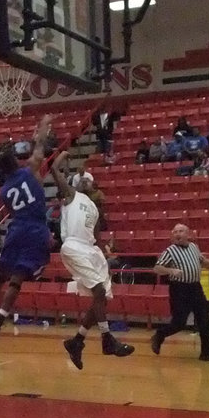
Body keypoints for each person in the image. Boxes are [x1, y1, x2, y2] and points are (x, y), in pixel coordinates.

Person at [51, 150, 135, 369]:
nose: (86, 182)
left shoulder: (95, 208)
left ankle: (77, 341)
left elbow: (96, 237)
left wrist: (103, 253)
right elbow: (53, 169)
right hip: (74, 245)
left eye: (89, 180)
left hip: (91, 250)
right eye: (84, 180)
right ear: (78, 184)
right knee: (98, 291)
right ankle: (107, 339)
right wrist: (64, 155)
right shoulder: (70, 195)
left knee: (102, 297)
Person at [0, 118, 54, 343]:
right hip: (35, 229)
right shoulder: (30, 170)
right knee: (17, 280)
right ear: (15, 162)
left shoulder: (4, 191)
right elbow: (39, 149)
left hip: (16, 228)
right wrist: (43, 130)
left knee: (2, 273)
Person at [150, 224, 209, 362]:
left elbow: (202, 261)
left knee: (204, 320)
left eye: (181, 231)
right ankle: (160, 334)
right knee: (179, 323)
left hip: (195, 287)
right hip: (179, 289)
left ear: (188, 234)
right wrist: (171, 271)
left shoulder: (194, 247)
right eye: (175, 231)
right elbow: (157, 268)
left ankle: (207, 354)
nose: (178, 234)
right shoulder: (170, 251)